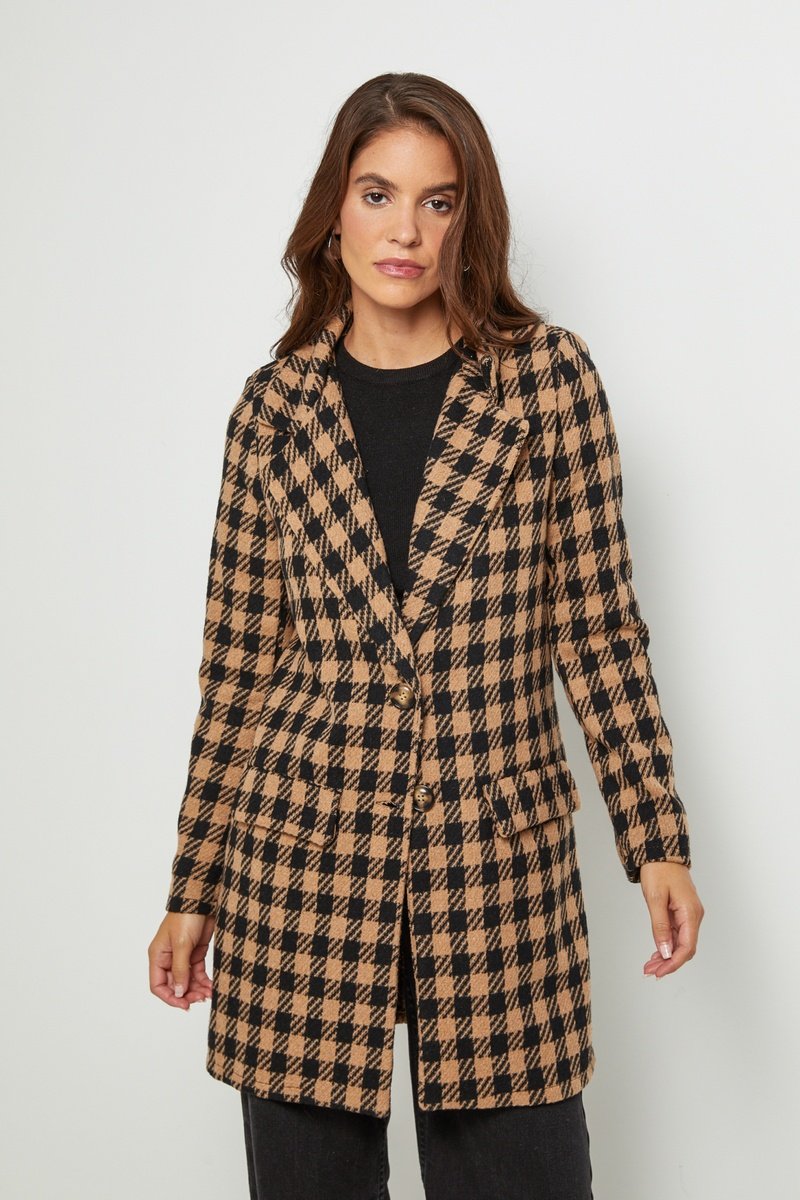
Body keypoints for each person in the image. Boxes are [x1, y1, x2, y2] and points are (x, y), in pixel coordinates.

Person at [148, 72, 704, 1200]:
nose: (404, 230)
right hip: (301, 861)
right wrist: (192, 885)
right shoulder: (272, 412)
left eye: (437, 201)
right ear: (333, 212)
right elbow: (239, 670)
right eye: (377, 194)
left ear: (468, 219)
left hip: (491, 862)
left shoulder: (546, 383)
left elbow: (598, 629)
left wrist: (656, 838)